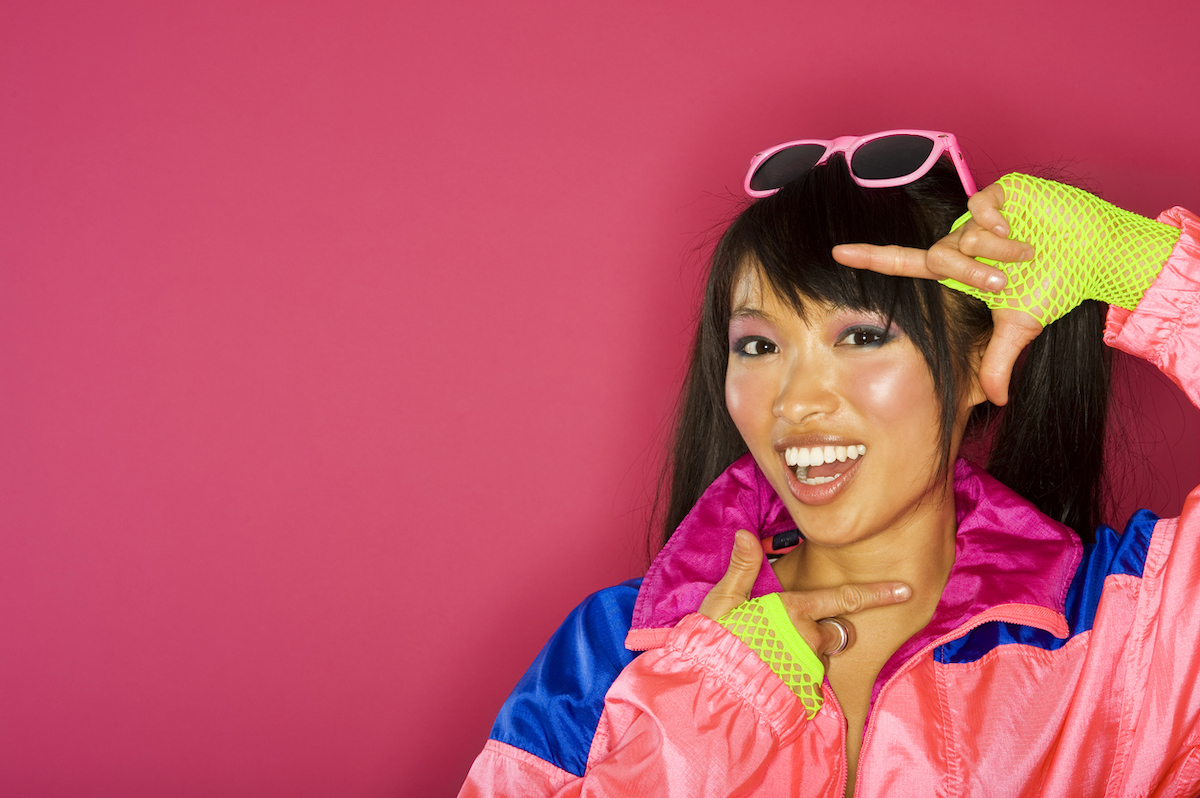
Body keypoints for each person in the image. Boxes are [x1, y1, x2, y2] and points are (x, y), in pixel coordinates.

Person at [458, 131, 1200, 797]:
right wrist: (707, 710)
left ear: (980, 362)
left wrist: (1145, 267)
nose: (795, 401)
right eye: (758, 346)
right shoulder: (612, 650)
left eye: (861, 337)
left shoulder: (1131, 630)